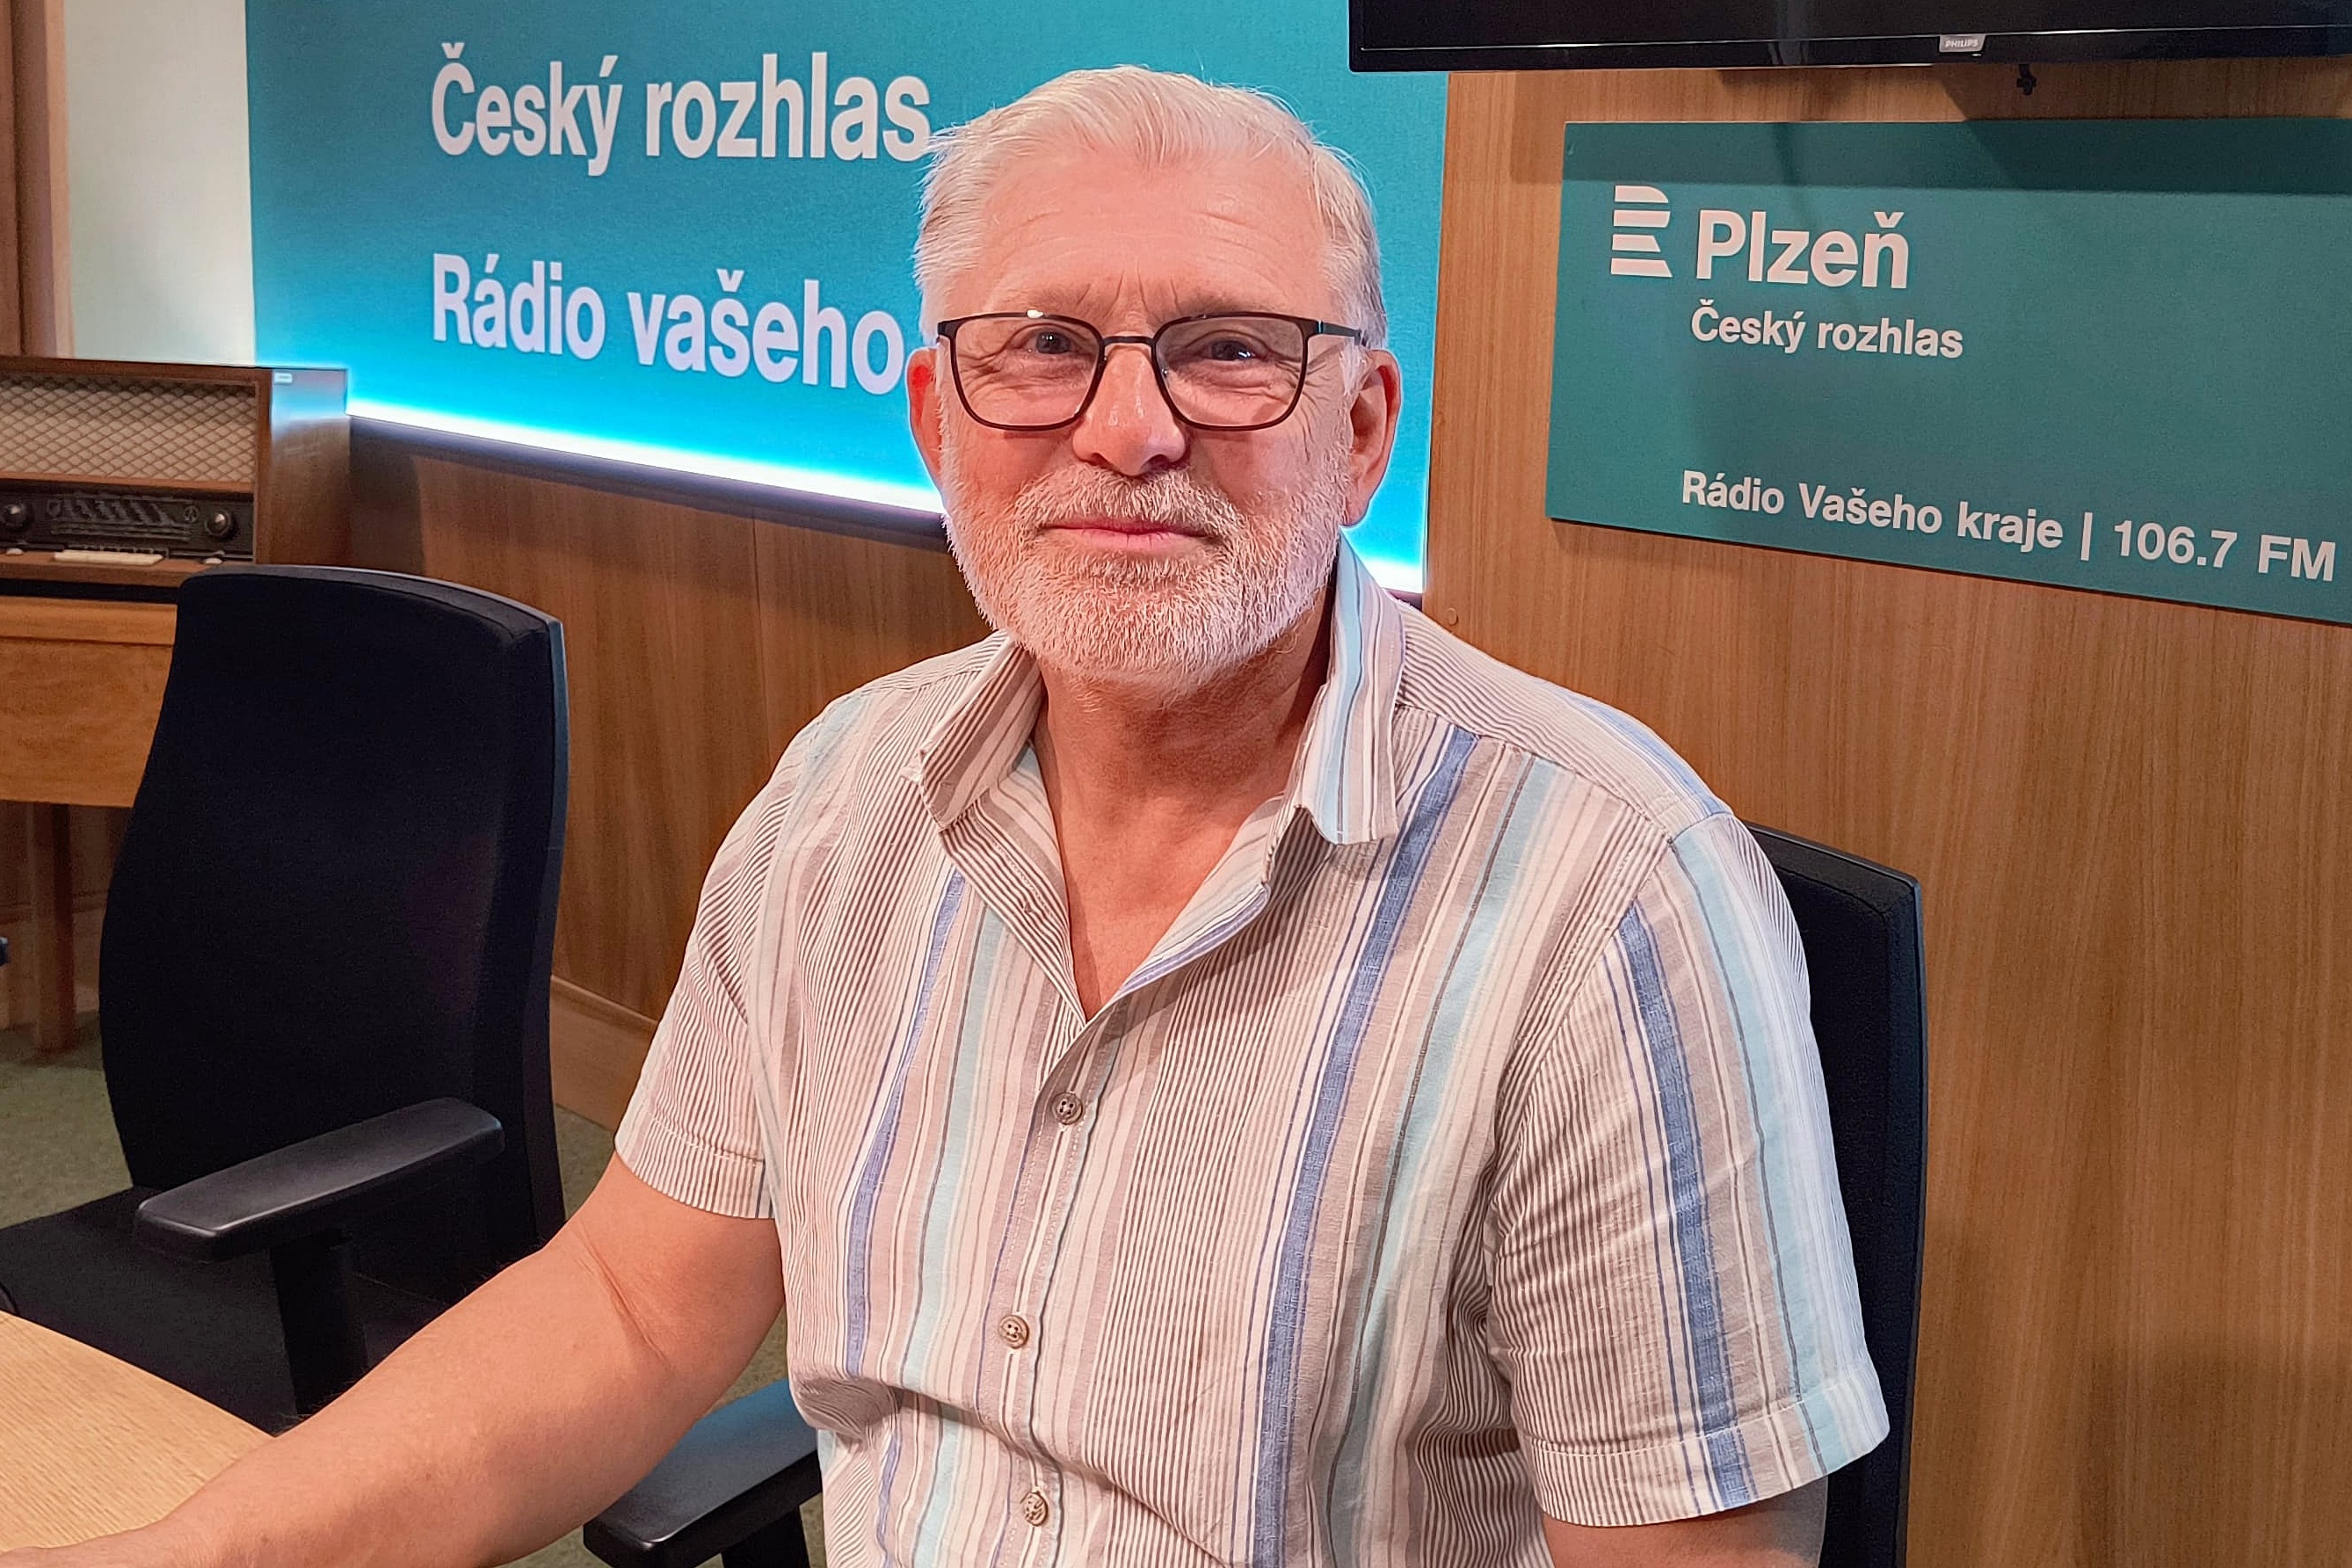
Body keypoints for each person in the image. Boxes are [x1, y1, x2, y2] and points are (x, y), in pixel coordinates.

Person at [8, 65, 1884, 1568]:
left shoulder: (1613, 901)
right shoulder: (846, 798)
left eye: (1232, 349)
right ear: (933, 419)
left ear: (1364, 428)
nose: (1129, 429)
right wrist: (196, 1552)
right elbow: (637, 1310)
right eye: (1041, 346)